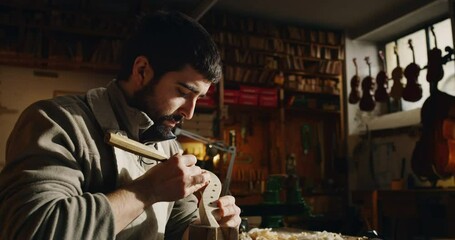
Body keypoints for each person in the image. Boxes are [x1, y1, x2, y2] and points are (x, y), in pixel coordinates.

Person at [0, 11, 241, 240]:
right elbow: (34, 230)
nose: (189, 112)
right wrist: (147, 191)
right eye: (183, 92)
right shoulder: (57, 122)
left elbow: (177, 232)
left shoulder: (167, 147)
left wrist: (211, 224)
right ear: (142, 70)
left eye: (198, 98)